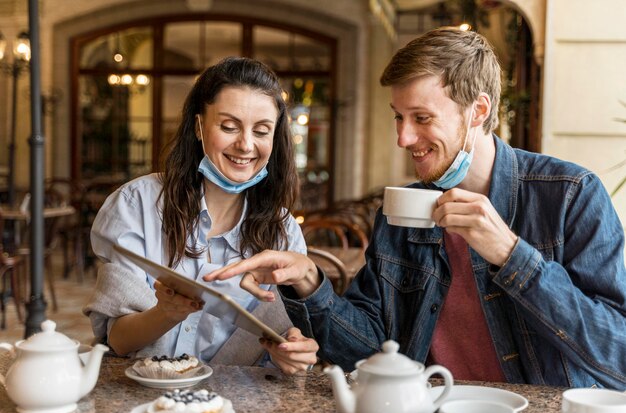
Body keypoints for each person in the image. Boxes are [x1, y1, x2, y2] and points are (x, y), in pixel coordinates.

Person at [205, 28, 626, 389]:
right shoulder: (401, 211)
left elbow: (617, 353)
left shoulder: (570, 194)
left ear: (477, 111)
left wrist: (512, 256)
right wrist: (309, 280)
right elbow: (367, 350)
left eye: (422, 117)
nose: (404, 139)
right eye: (398, 117)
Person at [83, 56, 318, 375]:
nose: (246, 145)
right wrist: (166, 313)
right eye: (229, 126)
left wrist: (290, 352)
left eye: (262, 131)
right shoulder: (137, 204)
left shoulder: (284, 233)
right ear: (198, 126)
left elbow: (285, 341)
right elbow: (119, 341)